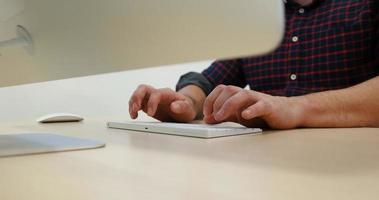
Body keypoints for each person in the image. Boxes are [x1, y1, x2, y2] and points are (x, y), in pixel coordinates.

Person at [128, 0, 379, 129]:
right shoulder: (261, 24)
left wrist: (295, 107)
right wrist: (184, 103)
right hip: (266, 171)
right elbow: (207, 81)